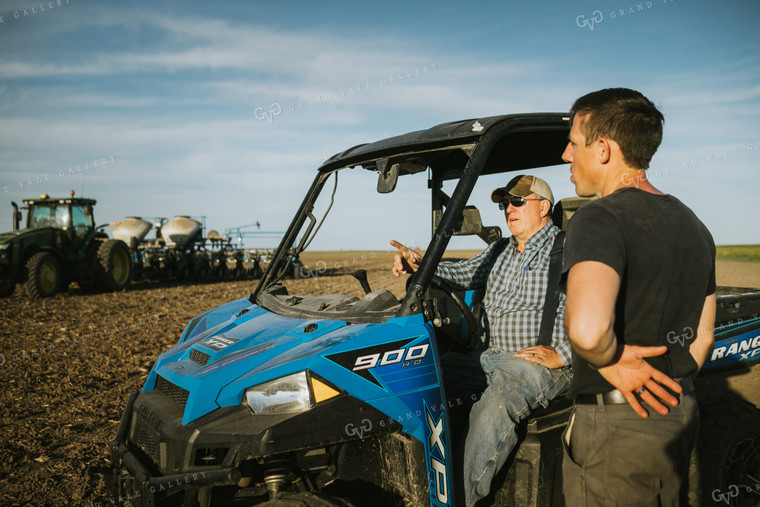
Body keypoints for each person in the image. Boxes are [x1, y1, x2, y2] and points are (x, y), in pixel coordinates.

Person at [560, 88, 716, 505]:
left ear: (605, 149)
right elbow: (703, 336)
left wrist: (609, 360)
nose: (565, 155)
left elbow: (589, 332)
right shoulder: (694, 224)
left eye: (574, 143)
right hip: (680, 415)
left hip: (617, 426)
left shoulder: (598, 218)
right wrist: (672, 383)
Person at [391, 174, 572, 507]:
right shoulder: (501, 248)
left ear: (544, 206)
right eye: (505, 203)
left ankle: (458, 501)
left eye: (517, 202)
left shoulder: (568, 247)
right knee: (420, 374)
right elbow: (464, 273)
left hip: (534, 364)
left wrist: (563, 354)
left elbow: (601, 308)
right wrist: (422, 265)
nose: (508, 209)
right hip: (488, 356)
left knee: (495, 405)